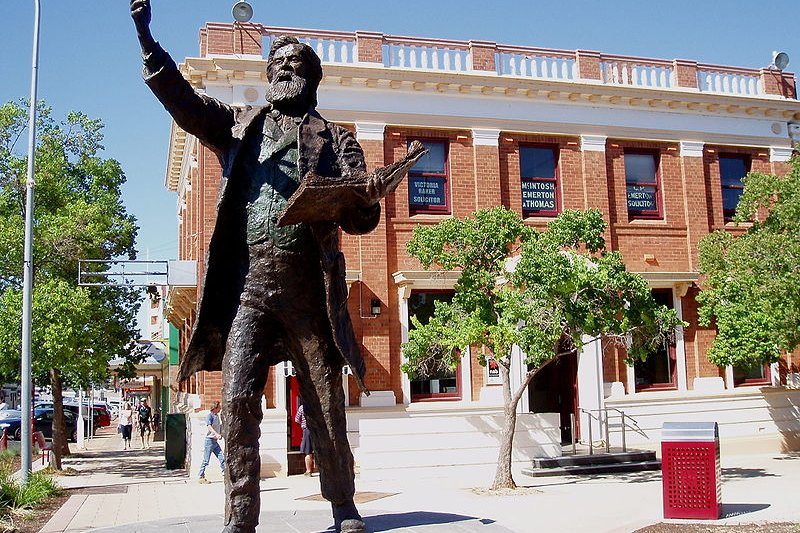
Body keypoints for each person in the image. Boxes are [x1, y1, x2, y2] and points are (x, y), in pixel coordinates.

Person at [130, 2, 421, 532]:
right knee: (239, 401)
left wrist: (367, 198)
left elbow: (359, 221)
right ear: (267, 79)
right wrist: (148, 43)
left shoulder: (336, 141)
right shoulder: (240, 128)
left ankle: (343, 506)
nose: (284, 71)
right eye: (277, 66)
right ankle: (240, 518)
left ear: (312, 81)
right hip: (249, 290)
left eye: (296, 66)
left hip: (310, 289)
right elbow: (186, 105)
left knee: (326, 402)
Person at [198, 401, 225, 484]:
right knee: (206, 460)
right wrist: (216, 434)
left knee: (222, 457)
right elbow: (209, 426)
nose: (220, 408)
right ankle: (200, 476)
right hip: (209, 441)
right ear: (215, 408)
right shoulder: (210, 416)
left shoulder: (217, 416)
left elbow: (219, 427)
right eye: (219, 407)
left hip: (215, 442)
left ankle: (225, 473)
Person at [294, 398, 314, 476]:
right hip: (316, 430)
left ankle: (308, 471)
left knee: (308, 451)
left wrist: (303, 423)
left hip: (307, 430)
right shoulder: (315, 407)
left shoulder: (302, 408)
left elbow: (296, 419)